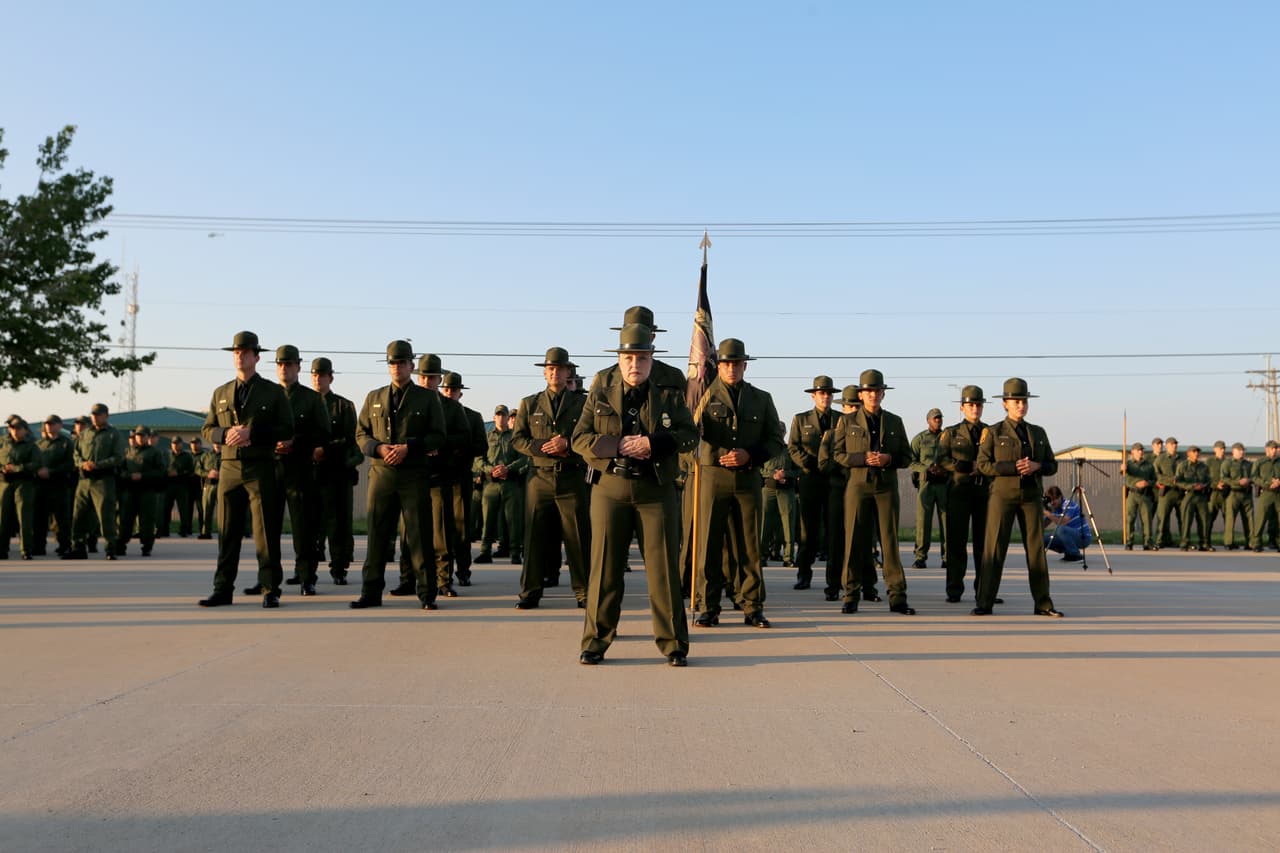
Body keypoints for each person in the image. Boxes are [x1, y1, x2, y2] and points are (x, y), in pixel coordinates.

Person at [572, 324, 697, 665]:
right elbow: (579, 439)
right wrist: (619, 446)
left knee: (663, 571)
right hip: (610, 488)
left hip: (655, 490)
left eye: (641, 357)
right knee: (604, 570)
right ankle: (595, 641)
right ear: (620, 358)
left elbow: (689, 435)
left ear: (651, 358)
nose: (634, 364)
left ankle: (673, 644)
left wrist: (652, 443)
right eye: (628, 357)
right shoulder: (601, 387)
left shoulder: (669, 390)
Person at [197, 331, 295, 608]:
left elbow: (287, 428)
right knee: (227, 532)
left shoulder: (272, 392)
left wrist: (254, 432)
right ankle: (222, 588)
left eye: (244, 352)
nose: (239, 356)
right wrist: (225, 433)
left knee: (265, 532)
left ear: (256, 357)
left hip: (260, 467)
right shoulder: (221, 392)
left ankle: (270, 588)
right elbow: (207, 429)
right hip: (229, 467)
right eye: (236, 352)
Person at [692, 338, 785, 629]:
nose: (732, 368)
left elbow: (774, 441)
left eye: (737, 363)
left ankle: (753, 606)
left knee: (750, 547)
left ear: (745, 366)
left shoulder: (761, 398)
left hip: (747, 480)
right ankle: (708, 607)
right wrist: (722, 455)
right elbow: (689, 435)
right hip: (712, 478)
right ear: (718, 366)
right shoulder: (701, 396)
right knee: (708, 544)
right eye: (726, 363)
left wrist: (749, 455)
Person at [349, 340, 446, 610]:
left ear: (411, 366)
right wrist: (378, 448)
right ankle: (370, 592)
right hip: (381, 475)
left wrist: (409, 447)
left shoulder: (427, 398)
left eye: (402, 362)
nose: (397, 367)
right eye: (393, 363)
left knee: (418, 535)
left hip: (413, 474)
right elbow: (361, 434)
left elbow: (438, 435)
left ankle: (427, 594)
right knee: (377, 535)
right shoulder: (374, 397)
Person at [973, 378, 1063, 617]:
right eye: (1015, 401)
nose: (1020, 406)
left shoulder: (1037, 432)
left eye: (1023, 401)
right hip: (1002, 496)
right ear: (1005, 404)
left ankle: (1043, 603)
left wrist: (1037, 465)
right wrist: (1013, 467)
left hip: (1031, 496)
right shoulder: (993, 432)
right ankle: (984, 602)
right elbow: (982, 464)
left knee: (1036, 550)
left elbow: (1052, 465)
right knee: (994, 549)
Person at [511, 347, 591, 609]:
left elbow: (590, 437)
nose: (555, 372)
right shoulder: (529, 403)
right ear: (545, 373)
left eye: (560, 368)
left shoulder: (582, 404)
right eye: (550, 368)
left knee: (578, 537)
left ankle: (584, 592)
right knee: (534, 538)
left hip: (571, 477)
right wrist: (543, 447)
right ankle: (530, 592)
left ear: (569, 372)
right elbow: (519, 439)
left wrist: (567, 444)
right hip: (540, 477)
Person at [831, 370, 914, 615]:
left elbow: (907, 456)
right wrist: (862, 458)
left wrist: (888, 459)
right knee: (854, 541)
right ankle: (851, 595)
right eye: (868, 391)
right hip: (858, 486)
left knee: (890, 542)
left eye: (877, 391)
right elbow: (838, 455)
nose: (873, 395)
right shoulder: (848, 421)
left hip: (886, 487)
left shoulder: (895, 421)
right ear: (861, 394)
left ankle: (897, 597)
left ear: (883, 393)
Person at [392, 353, 470, 597]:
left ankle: (443, 580)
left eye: (432, 378)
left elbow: (464, 438)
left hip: (439, 476)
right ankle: (407, 579)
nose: (427, 382)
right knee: (408, 533)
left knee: (440, 534)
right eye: (423, 377)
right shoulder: (410, 401)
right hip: (412, 476)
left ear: (439, 379)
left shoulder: (452, 408)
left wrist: (440, 444)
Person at [271, 345, 332, 595]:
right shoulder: (267, 395)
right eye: (280, 364)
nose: (285, 368)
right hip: (271, 470)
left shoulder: (311, 398)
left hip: (300, 470)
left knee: (303, 529)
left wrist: (295, 442)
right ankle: (269, 578)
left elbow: (324, 433)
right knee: (268, 529)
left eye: (289, 364)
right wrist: (273, 443)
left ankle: (307, 577)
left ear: (298, 367)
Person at [938, 385, 992, 602]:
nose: (975, 409)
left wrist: (985, 468)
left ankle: (984, 588)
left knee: (984, 545)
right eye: (971, 405)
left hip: (984, 492)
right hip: (959, 491)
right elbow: (941, 460)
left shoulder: (992, 432)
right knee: (956, 544)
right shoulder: (951, 433)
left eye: (978, 405)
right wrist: (963, 466)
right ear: (962, 407)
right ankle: (954, 589)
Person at [310, 356, 359, 583]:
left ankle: (339, 568)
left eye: (322, 375)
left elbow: (350, 439)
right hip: (310, 472)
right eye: (315, 375)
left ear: (330, 377)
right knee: (309, 524)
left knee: (338, 524)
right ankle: (306, 571)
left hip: (337, 472)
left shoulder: (343, 405)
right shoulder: (304, 402)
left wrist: (325, 450)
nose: (318, 379)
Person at [787, 375, 837, 591]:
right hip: (810, 478)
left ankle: (834, 578)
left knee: (835, 531)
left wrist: (833, 465)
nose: (825, 397)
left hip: (834, 480)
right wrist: (808, 463)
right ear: (814, 396)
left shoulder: (841, 420)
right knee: (808, 531)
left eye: (828, 393)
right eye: (821, 393)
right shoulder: (801, 419)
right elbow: (793, 447)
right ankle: (803, 574)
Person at [440, 371, 487, 585]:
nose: (450, 393)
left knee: (461, 528)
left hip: (461, 476)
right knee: (442, 528)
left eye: (454, 390)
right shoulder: (436, 413)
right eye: (447, 389)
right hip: (439, 477)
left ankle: (463, 570)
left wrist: (460, 448)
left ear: (461, 393)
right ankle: (443, 572)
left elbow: (481, 447)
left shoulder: (473, 416)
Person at [65, 403, 126, 561]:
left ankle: (110, 548)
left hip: (103, 480)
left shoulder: (114, 434)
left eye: (98, 414)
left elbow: (118, 457)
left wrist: (98, 465)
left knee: (105, 515)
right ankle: (78, 547)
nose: (95, 417)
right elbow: (76, 454)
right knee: (78, 515)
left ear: (106, 415)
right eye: (93, 414)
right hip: (84, 480)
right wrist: (82, 464)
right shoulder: (85, 434)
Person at [475, 405, 526, 564]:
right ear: (494, 417)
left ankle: (515, 553)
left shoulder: (515, 438)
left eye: (504, 415)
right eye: (498, 415)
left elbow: (524, 459)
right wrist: (491, 470)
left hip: (511, 483)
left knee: (513, 520)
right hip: (491, 484)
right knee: (488, 519)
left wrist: (507, 469)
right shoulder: (487, 436)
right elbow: (478, 459)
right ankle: (485, 551)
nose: (501, 418)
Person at [1, 416, 46, 560]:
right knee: (3, 517)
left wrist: (17, 468)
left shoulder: (31, 446)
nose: (15, 431)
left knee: (24, 517)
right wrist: (3, 468)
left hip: (23, 483)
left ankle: (26, 549)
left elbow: (36, 463)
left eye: (18, 428)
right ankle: (2, 549)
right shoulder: (3, 443)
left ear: (25, 430)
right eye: (12, 428)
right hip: (5, 483)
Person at [116, 425, 165, 557]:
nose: (140, 438)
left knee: (147, 520)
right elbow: (119, 470)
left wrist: (143, 476)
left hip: (147, 491)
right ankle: (121, 544)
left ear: (148, 437)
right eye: (138, 435)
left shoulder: (154, 453)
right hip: (129, 490)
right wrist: (128, 476)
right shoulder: (127, 452)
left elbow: (161, 472)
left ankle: (147, 546)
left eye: (143, 435)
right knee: (125, 519)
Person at [909, 407, 948, 569]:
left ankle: (947, 557)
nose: (938, 421)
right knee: (923, 522)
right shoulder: (920, 439)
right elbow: (910, 461)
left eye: (940, 418)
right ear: (928, 421)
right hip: (926, 484)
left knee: (946, 522)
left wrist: (945, 468)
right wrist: (926, 468)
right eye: (935, 418)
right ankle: (920, 557)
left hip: (944, 484)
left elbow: (955, 457)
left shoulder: (948, 437)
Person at [34, 415, 74, 556]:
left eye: (52, 424)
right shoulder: (39, 444)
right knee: (39, 518)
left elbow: (70, 464)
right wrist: (38, 471)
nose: (49, 426)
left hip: (59, 484)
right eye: (47, 424)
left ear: (59, 425)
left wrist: (51, 471)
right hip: (40, 486)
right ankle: (39, 546)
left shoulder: (66, 443)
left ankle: (64, 545)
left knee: (61, 519)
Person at [758, 426, 798, 568]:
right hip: (768, 489)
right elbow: (759, 468)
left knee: (788, 524)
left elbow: (799, 469)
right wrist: (773, 475)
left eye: (781, 432)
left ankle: (788, 557)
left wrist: (786, 474)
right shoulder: (766, 449)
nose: (779, 434)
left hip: (786, 490)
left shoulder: (790, 450)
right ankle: (762, 555)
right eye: (777, 431)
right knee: (764, 524)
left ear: (785, 433)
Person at [1176, 445, 1212, 551]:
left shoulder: (1203, 466)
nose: (1196, 454)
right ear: (1188, 454)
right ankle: (1184, 542)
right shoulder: (1182, 466)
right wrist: (1191, 486)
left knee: (1204, 520)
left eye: (1197, 452)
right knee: (1186, 520)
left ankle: (1204, 543)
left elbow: (1208, 480)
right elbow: (1178, 481)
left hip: (1201, 496)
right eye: (1194, 452)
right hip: (1189, 495)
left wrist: (1203, 485)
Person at [1042, 485, 1091, 562]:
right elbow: (1043, 526)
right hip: (1069, 535)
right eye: (1050, 500)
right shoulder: (1054, 508)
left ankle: (1076, 555)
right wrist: (1041, 510)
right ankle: (1068, 553)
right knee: (1042, 538)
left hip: (1083, 537)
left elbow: (1064, 521)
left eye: (1054, 499)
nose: (1052, 502)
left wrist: (1047, 513)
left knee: (1061, 529)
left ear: (1060, 497)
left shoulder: (1068, 504)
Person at [1220, 442, 1253, 549]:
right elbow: (1224, 478)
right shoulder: (1227, 463)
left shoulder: (1248, 464)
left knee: (1249, 519)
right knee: (1230, 519)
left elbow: (1255, 476)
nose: (1242, 452)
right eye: (1239, 450)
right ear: (1233, 451)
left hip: (1246, 494)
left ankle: (1251, 542)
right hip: (1233, 493)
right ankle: (1229, 542)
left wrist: (1248, 480)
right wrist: (1238, 482)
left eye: (1243, 450)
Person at [1123, 442, 1156, 550]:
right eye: (1138, 450)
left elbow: (1154, 480)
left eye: (1142, 450)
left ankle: (1147, 542)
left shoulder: (1149, 465)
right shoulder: (1128, 464)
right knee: (1130, 519)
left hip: (1145, 495)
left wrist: (1147, 483)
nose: (1140, 452)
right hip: (1132, 493)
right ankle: (1129, 542)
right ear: (1132, 452)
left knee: (1146, 520)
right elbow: (1124, 474)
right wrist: (1123, 468)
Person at [1152, 437, 1183, 550]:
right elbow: (1156, 474)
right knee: (1163, 517)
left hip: (1180, 492)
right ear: (1167, 446)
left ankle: (1184, 541)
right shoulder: (1161, 459)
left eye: (1175, 444)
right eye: (1171, 444)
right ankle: (1160, 540)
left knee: (1182, 517)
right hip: (1166, 491)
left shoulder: (1182, 458)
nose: (1174, 446)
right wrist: (1170, 480)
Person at [1250, 441, 1280, 551]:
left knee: (1277, 520)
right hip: (1266, 493)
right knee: (1260, 519)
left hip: (1278, 494)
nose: (1275, 450)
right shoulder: (1260, 462)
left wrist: (1278, 482)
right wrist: (1267, 483)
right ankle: (1257, 543)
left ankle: (1277, 542)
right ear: (1266, 449)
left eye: (1276, 448)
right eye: (1272, 448)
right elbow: (1253, 477)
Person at [163, 436, 195, 537]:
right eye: (174, 443)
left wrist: (179, 473)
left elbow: (191, 471)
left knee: (183, 509)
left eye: (178, 443)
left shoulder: (187, 456)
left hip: (182, 486)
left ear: (181, 444)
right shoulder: (167, 455)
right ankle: (164, 529)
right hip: (168, 486)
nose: (176, 445)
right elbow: (162, 468)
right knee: (166, 509)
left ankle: (184, 530)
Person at [195, 442, 220, 539]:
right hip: (209, 485)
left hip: (222, 484)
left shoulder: (226, 455)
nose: (217, 444)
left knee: (224, 510)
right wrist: (207, 473)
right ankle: (206, 532)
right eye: (215, 442)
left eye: (219, 442)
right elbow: (197, 469)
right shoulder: (205, 456)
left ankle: (224, 531)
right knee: (207, 510)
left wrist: (221, 474)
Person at [1206, 440, 1229, 538]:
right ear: (1215, 449)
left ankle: (1228, 541)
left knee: (1228, 518)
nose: (1222, 450)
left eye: (1223, 448)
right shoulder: (1209, 461)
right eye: (1220, 448)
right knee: (1209, 518)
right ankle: (1206, 540)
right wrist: (1215, 484)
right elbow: (1205, 477)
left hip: (1226, 494)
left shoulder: (1228, 462)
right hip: (1213, 494)